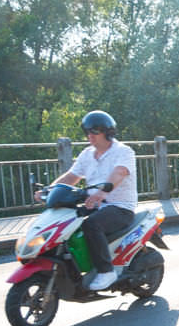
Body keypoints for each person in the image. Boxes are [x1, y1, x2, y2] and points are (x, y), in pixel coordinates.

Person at [36, 110, 137, 290]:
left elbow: (119, 172)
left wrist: (102, 192)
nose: (89, 135)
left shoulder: (123, 151)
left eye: (94, 132)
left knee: (91, 225)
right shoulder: (87, 154)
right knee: (66, 223)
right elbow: (71, 176)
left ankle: (106, 271)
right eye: (87, 132)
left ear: (107, 132)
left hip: (120, 207)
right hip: (94, 204)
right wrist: (48, 190)